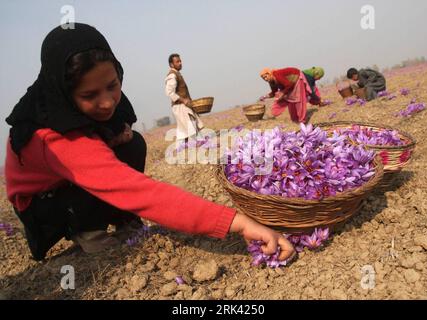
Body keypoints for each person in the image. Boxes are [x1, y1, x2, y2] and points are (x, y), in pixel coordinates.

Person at [4, 23, 295, 262]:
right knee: (112, 170)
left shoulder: (96, 102)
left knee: (133, 144)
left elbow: (117, 127)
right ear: (64, 93)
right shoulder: (53, 135)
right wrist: (238, 222)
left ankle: (123, 219)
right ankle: (87, 230)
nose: (107, 103)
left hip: (72, 181)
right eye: (89, 96)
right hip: (46, 205)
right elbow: (139, 192)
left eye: (112, 86)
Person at [259, 67, 324, 123]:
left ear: (269, 73)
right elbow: (274, 92)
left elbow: (289, 84)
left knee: (298, 99)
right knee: (290, 100)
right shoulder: (271, 81)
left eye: (265, 76)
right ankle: (295, 118)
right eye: (263, 78)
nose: (265, 79)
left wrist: (283, 93)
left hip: (297, 78)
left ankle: (302, 120)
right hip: (289, 85)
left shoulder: (277, 75)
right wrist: (265, 96)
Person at [165, 54, 204, 144]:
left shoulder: (177, 74)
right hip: (180, 106)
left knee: (185, 129)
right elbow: (169, 92)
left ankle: (181, 148)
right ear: (171, 64)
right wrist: (183, 100)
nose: (180, 63)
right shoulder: (172, 76)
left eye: (180, 61)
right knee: (190, 126)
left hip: (182, 106)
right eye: (177, 62)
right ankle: (200, 142)